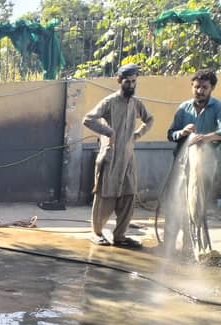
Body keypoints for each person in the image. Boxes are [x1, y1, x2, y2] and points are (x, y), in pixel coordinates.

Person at [83, 64, 154, 248]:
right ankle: (96, 233)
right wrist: (108, 131)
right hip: (110, 157)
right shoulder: (109, 102)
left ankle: (120, 236)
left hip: (128, 158)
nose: (131, 85)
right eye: (127, 82)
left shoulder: (136, 103)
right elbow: (88, 119)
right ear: (119, 81)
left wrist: (137, 135)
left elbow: (149, 119)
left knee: (128, 196)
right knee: (105, 195)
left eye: (133, 82)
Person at [161, 69, 221, 260]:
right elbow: (171, 134)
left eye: (204, 87)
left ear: (211, 88)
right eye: (197, 87)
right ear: (192, 87)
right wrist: (183, 132)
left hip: (204, 165)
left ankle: (192, 246)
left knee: (195, 205)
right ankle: (168, 246)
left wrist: (204, 138)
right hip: (181, 163)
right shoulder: (183, 108)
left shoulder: (217, 107)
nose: (200, 91)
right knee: (174, 202)